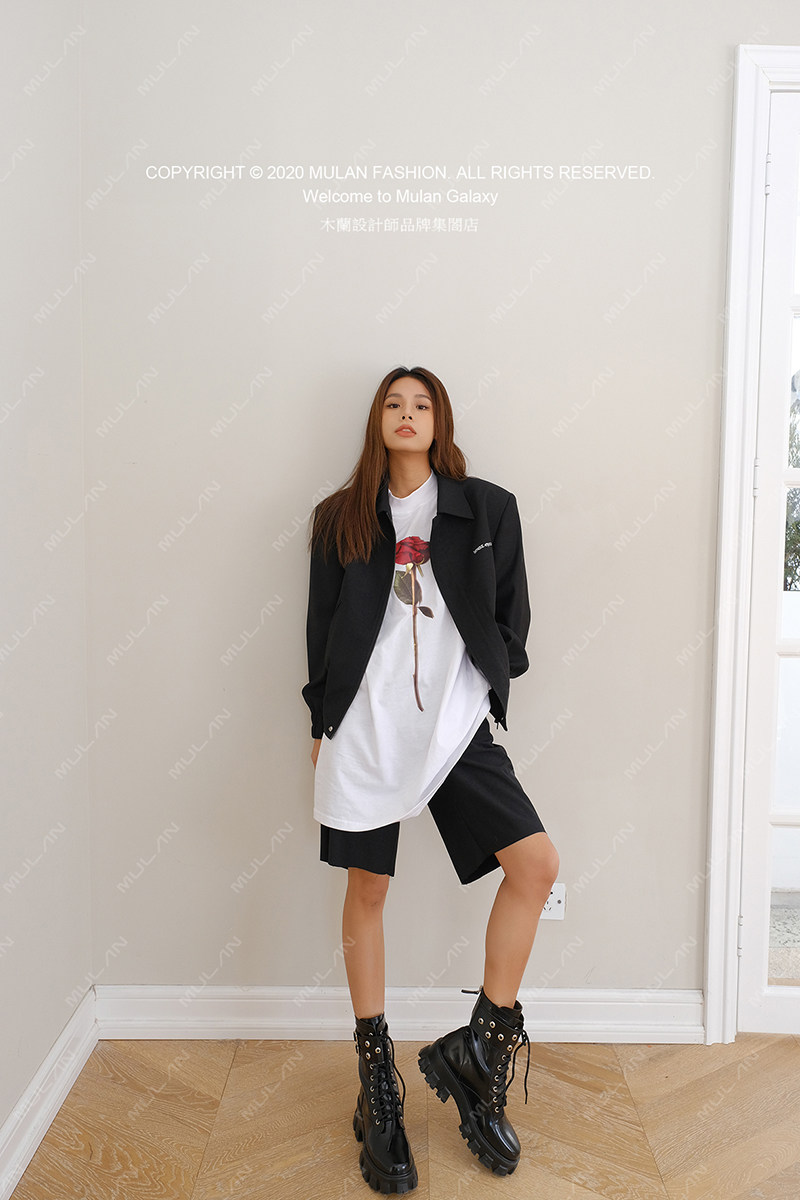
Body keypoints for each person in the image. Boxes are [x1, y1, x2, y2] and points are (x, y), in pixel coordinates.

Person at [301, 366, 559, 1194]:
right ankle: (377, 1080)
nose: (407, 414)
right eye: (394, 404)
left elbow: (512, 614)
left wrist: (484, 679)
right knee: (368, 889)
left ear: (439, 421)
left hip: (452, 729)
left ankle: (480, 1051)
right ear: (377, 422)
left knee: (536, 866)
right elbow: (321, 625)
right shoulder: (340, 518)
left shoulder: (486, 508)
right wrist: (320, 721)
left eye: (422, 405)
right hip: (365, 730)